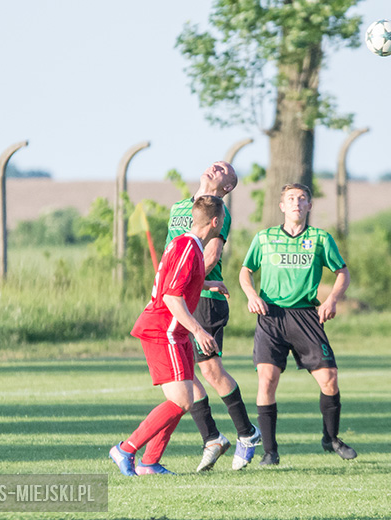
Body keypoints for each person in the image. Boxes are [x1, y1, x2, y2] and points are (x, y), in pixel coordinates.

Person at [239, 183, 357, 466]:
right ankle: (270, 452)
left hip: (306, 316)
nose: (296, 203)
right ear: (281, 206)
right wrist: (251, 294)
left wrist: (331, 300)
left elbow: (342, 272)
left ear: (309, 206)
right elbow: (245, 271)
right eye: (290, 199)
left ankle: (331, 437)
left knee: (329, 380)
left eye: (302, 198)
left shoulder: (320, 238)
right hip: (272, 316)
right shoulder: (264, 238)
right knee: (267, 379)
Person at [109, 195, 228, 476]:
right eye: (222, 220)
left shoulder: (185, 243)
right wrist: (199, 331)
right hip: (165, 331)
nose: (222, 225)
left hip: (176, 331)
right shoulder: (190, 247)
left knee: (183, 399)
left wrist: (208, 283)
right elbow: (172, 297)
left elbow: (177, 282)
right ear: (215, 222)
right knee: (181, 401)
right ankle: (125, 449)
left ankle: (150, 462)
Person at [164, 161, 261, 472]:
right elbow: (171, 254)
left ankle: (247, 434)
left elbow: (211, 255)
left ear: (227, 186)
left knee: (211, 372)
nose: (214, 167)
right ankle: (213, 438)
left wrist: (186, 284)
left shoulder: (220, 212)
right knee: (184, 372)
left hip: (205, 299)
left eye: (223, 169)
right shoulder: (179, 206)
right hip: (178, 298)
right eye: (214, 164)